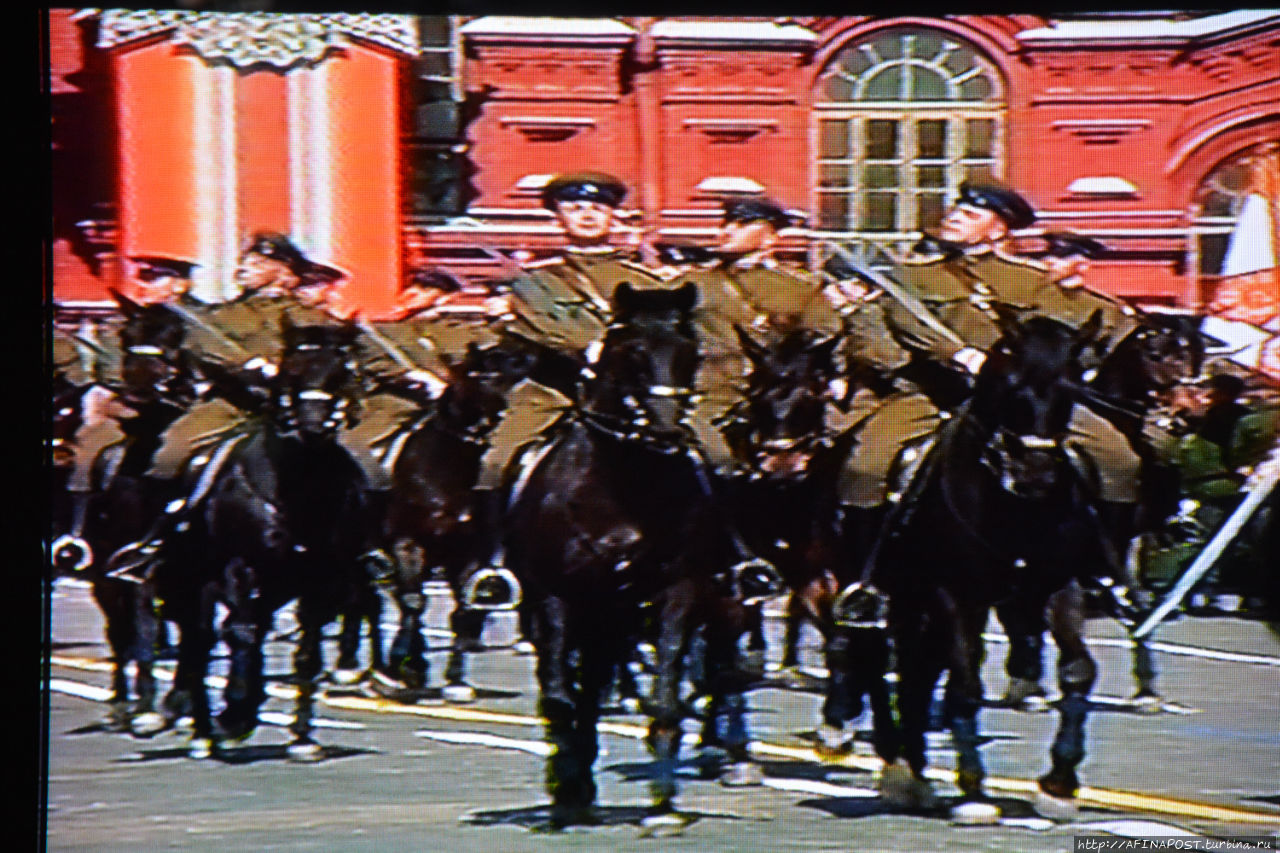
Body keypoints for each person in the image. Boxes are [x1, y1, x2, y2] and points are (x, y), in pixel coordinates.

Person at [838, 182, 1143, 533]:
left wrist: (1028, 369)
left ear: (997, 230)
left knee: (1119, 461)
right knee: (867, 465)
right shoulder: (913, 276)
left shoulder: (1032, 281)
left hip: (1022, 399)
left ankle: (1113, 557)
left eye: (969, 215)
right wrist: (958, 355)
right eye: (956, 211)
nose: (953, 218)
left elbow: (1059, 335)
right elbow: (906, 323)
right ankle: (865, 560)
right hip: (936, 393)